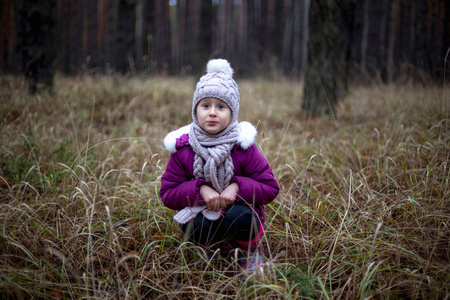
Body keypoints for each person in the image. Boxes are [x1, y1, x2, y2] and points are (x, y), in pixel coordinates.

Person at [160, 59, 279, 275]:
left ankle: (248, 251)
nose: (212, 112)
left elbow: (270, 187)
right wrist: (200, 190)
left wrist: (237, 187)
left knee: (242, 216)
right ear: (195, 110)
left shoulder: (243, 147)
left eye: (221, 106)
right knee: (197, 224)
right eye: (206, 105)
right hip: (202, 214)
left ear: (232, 113)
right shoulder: (184, 148)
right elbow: (167, 193)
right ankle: (207, 247)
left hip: (238, 213)